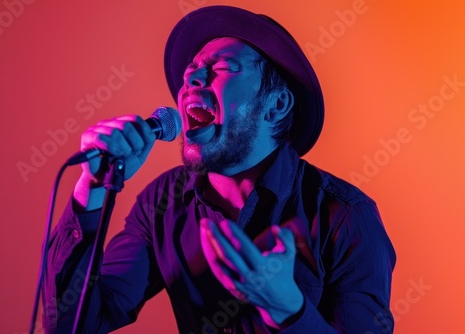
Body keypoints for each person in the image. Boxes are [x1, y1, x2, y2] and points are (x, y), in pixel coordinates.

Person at [42, 5, 396, 334]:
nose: (193, 78)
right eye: (191, 71)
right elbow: (73, 325)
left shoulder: (347, 217)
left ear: (275, 105)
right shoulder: (161, 204)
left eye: (223, 67)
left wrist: (288, 309)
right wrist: (93, 187)